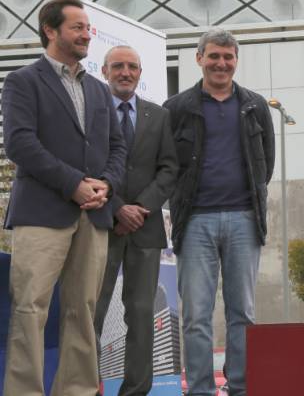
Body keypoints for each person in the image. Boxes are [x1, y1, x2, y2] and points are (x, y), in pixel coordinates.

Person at [1, 0, 127, 396]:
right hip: (42, 213)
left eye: (88, 28)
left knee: (83, 310)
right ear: (50, 31)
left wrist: (106, 184)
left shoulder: (99, 89)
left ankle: (77, 391)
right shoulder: (22, 81)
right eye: (77, 27)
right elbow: (20, 144)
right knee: (30, 308)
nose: (86, 34)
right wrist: (74, 184)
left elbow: (117, 147)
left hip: (94, 214)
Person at [163, 28, 275, 395]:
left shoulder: (255, 106)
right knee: (196, 315)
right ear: (199, 58)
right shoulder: (177, 108)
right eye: (213, 56)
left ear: (236, 60)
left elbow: (265, 164)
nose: (221, 64)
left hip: (245, 220)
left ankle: (240, 387)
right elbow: (166, 164)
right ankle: (200, 390)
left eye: (228, 57)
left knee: (242, 313)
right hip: (195, 221)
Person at [93, 45, 178, 396]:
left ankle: (136, 390)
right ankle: (87, 386)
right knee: (93, 311)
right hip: (102, 223)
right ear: (104, 71)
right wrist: (117, 208)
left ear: (140, 73)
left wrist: (140, 207)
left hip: (145, 226)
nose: (125, 72)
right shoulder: (92, 113)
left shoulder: (159, 116)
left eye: (132, 67)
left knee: (142, 313)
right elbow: (86, 166)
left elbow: (169, 168)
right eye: (118, 66)